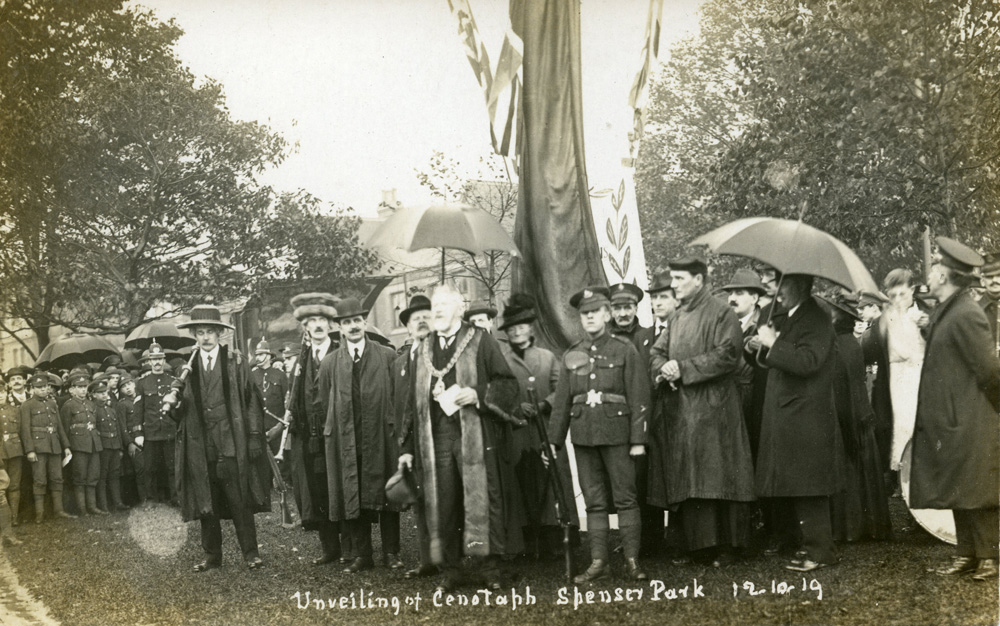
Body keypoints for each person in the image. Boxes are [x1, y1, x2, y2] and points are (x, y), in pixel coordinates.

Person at [398, 284, 523, 593]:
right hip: (435, 438)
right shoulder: (424, 348)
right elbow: (412, 403)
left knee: (479, 501)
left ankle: (488, 569)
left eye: (443, 303)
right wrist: (406, 447)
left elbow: (508, 384)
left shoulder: (481, 340)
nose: (436, 309)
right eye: (434, 304)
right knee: (442, 504)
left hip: (474, 436)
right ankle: (451, 571)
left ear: (459, 307)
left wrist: (477, 394)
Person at [649, 257, 756, 565]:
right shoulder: (677, 317)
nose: (674, 285)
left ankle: (727, 547)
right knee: (690, 480)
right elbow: (656, 352)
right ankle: (696, 547)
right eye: (673, 278)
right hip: (682, 411)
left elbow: (728, 355)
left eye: (680, 278)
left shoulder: (723, 313)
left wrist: (682, 368)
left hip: (716, 411)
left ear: (698, 280)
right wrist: (664, 367)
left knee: (719, 479)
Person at [912, 238, 999, 582]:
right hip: (953, 415)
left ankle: (990, 556)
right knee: (959, 484)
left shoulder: (966, 313)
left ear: (946, 276)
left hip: (970, 414)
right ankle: (967, 553)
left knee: (978, 487)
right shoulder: (949, 309)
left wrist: (990, 410)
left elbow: (989, 370)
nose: (930, 275)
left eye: (934, 269)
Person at [548, 286, 650, 583]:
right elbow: (562, 401)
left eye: (595, 312)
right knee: (594, 501)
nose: (590, 318)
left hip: (617, 435)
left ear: (607, 314)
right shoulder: (573, 354)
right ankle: (599, 563)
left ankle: (632, 562)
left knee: (626, 499)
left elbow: (640, 397)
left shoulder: (624, 350)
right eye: (584, 314)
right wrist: (554, 442)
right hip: (583, 436)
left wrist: (638, 441)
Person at [751, 273, 844, 572]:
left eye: (782, 284)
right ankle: (812, 546)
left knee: (810, 486)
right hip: (791, 412)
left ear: (801, 285)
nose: (775, 290)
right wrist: (758, 347)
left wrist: (774, 342)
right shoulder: (791, 314)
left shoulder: (816, 317)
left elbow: (808, 362)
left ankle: (820, 552)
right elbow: (778, 359)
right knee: (799, 483)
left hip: (806, 414)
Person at [171, 305, 270, 572]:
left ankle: (250, 553)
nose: (205, 338)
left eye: (210, 332)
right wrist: (173, 404)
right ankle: (213, 557)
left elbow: (251, 402)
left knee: (240, 500)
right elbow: (181, 414)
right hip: (201, 446)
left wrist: (252, 437)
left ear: (218, 334)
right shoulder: (186, 369)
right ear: (194, 335)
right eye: (200, 332)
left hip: (231, 443)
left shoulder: (235, 363)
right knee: (208, 501)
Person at [321, 297, 402, 573]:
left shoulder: (387, 356)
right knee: (353, 492)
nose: (353, 326)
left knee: (388, 492)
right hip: (347, 438)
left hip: (381, 436)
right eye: (347, 322)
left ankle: (391, 552)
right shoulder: (330, 363)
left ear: (364, 323)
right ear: (340, 328)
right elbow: (325, 401)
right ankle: (363, 555)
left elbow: (397, 396)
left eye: (357, 320)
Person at [498, 294, 579, 559]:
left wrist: (545, 404)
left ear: (530, 328)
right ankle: (526, 543)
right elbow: (497, 393)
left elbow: (562, 390)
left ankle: (556, 538)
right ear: (507, 333)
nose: (517, 332)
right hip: (518, 431)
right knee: (521, 484)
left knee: (553, 480)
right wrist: (515, 407)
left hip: (545, 428)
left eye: (521, 327)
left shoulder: (547, 357)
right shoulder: (502, 361)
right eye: (511, 329)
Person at [819, 294, 892, 542]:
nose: (828, 314)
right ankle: (865, 525)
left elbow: (844, 389)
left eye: (833, 311)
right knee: (862, 471)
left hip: (849, 417)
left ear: (841, 316)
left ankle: (851, 528)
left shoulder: (841, 345)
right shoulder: (847, 342)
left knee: (851, 470)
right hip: (857, 415)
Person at [286, 292, 343, 566]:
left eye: (322, 320)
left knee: (341, 488)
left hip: (338, 435)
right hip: (309, 436)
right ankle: (330, 547)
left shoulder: (340, 353)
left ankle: (353, 546)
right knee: (317, 489)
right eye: (312, 321)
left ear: (330, 324)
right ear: (305, 327)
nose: (318, 325)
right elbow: (297, 396)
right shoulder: (301, 360)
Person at [392, 294, 438, 580]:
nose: (420, 321)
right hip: (414, 444)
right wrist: (404, 446)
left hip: (441, 439)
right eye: (414, 318)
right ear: (407, 327)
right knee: (420, 502)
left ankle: (450, 561)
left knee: (444, 501)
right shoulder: (400, 362)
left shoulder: (443, 354)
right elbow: (400, 408)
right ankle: (427, 560)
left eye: (426, 316)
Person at [720, 268, 766, 463]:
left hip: (752, 402)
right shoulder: (723, 325)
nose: (732, 298)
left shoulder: (765, 326)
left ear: (754, 297)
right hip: (724, 400)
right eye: (730, 293)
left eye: (739, 293)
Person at [20, 373, 74, 522]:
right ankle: (40, 513)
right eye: (39, 387)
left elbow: (60, 427)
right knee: (39, 479)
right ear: (32, 389)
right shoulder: (27, 405)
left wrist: (66, 446)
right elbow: (25, 429)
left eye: (45, 387)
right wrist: (29, 450)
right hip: (38, 447)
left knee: (57, 478)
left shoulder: (52, 403)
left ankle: (59, 510)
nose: (43, 390)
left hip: (54, 445)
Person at [133, 341, 177, 504]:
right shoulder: (142, 383)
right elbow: (138, 410)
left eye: (160, 358)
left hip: (169, 430)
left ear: (164, 360)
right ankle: (151, 498)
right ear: (149, 361)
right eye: (154, 359)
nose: (157, 362)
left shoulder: (172, 381)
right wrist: (138, 433)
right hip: (150, 432)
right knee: (150, 468)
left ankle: (175, 497)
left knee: (172, 467)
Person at [61, 372, 106, 516]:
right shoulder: (68, 406)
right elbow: (65, 429)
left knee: (93, 476)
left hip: (93, 444)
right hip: (78, 445)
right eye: (79, 387)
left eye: (84, 387)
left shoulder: (91, 404)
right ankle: (82, 508)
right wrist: (67, 447)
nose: (82, 390)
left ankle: (92, 507)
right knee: (80, 477)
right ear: (71, 389)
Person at [93, 378, 127, 512]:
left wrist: (120, 447)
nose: (103, 395)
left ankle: (118, 503)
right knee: (102, 476)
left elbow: (117, 429)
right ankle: (104, 505)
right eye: (100, 393)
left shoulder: (111, 410)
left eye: (104, 392)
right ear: (94, 394)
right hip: (103, 447)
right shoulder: (93, 409)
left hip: (114, 446)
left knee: (115, 474)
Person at [0, 393, 24, 527]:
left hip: (15, 450)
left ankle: (14, 517)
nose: (0, 395)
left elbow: (21, 430)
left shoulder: (15, 410)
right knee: (1, 486)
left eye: (2, 392)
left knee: (15, 485)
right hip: (0, 453)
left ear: (6, 393)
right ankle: (3, 519)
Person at [979, 251, 1000, 354]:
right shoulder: (975, 310)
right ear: (982, 280)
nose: (995, 280)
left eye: (998, 275)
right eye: (989, 277)